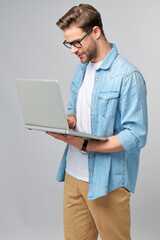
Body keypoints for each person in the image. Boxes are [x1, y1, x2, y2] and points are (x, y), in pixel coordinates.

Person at [46, 3, 148, 240]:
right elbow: (76, 110)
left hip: (107, 181)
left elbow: (136, 135)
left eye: (76, 42)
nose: (73, 50)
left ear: (95, 32)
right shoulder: (81, 70)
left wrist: (85, 145)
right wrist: (68, 121)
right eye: (68, 44)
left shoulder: (128, 76)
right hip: (73, 175)